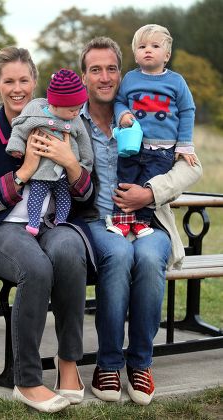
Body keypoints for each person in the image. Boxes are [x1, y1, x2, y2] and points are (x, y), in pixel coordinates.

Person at [0, 46, 96, 413]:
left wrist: (70, 163)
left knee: (70, 252)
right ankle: (27, 379)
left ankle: (68, 364)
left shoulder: (65, 124)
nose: (17, 88)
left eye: (24, 80)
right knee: (34, 267)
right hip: (2, 229)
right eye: (9, 81)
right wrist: (24, 171)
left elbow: (86, 197)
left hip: (53, 222)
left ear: (35, 82)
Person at [78, 36, 202, 406]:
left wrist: (150, 193)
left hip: (153, 221)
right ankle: (109, 363)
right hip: (101, 222)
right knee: (118, 255)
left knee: (148, 258)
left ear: (122, 73)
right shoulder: (74, 121)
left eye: (111, 69)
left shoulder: (146, 117)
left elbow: (192, 170)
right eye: (95, 69)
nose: (104, 76)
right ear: (83, 76)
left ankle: (141, 363)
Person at [107, 24, 197, 239]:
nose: (148, 50)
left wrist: (184, 144)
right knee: (126, 179)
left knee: (150, 184)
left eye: (155, 46)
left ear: (166, 55)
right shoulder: (130, 78)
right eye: (142, 46)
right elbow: (119, 102)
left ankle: (142, 222)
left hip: (162, 150)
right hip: (132, 145)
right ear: (135, 54)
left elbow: (187, 110)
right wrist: (123, 115)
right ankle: (122, 220)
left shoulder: (175, 81)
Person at [6, 68, 93, 236]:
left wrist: (84, 165)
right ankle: (33, 224)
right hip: (41, 171)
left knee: (64, 198)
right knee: (36, 196)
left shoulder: (76, 121)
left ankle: (60, 221)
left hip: (64, 175)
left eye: (79, 108)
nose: (76, 113)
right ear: (54, 104)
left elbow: (84, 144)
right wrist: (16, 147)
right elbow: (19, 129)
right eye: (72, 109)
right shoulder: (36, 114)